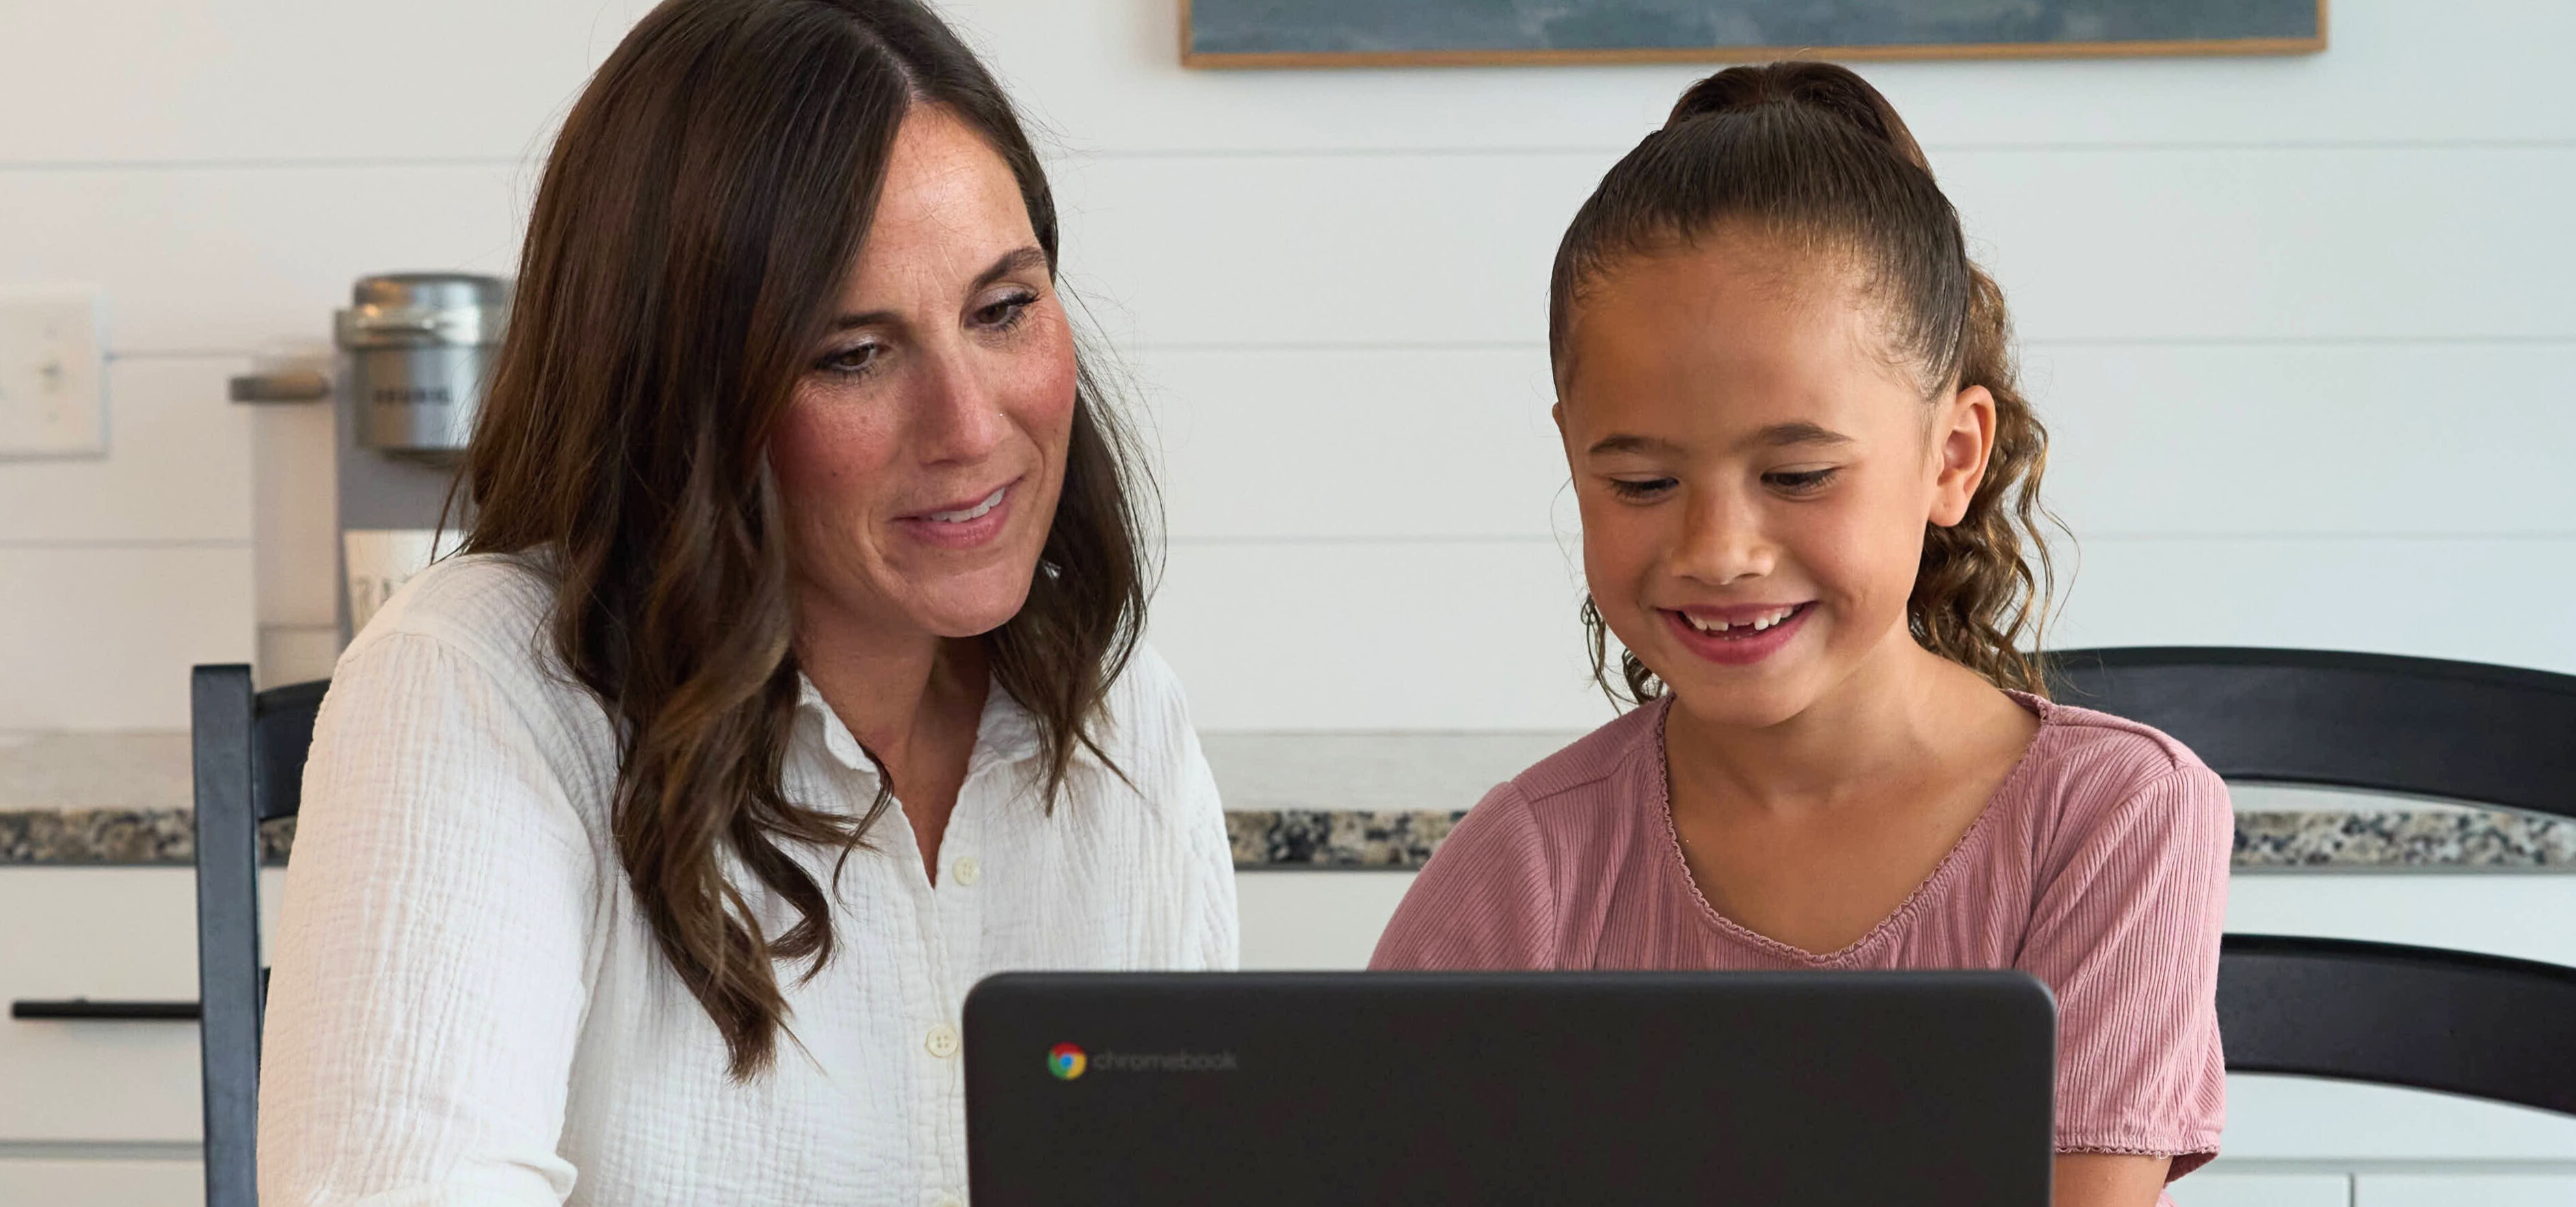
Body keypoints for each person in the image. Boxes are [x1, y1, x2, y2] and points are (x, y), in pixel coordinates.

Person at [256, 1, 1235, 1202]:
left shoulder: (1124, 716)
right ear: (680, 396)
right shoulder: (477, 685)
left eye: (1003, 310)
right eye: (852, 354)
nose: (973, 429)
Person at [1369, 62, 2232, 1206]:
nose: (1718, 548)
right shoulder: (1524, 867)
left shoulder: (2115, 816)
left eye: (1797, 473)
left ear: (1953, 458)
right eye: (1638, 481)